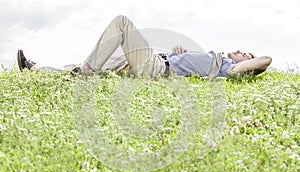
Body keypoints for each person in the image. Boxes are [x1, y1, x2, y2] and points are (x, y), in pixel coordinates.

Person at [17, 15, 272, 78]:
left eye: (245, 54)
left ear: (245, 64)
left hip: (155, 68)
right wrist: (179, 55)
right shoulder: (215, 60)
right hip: (158, 61)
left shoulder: (229, 69)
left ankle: (85, 73)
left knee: (122, 23)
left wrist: (253, 61)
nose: (240, 51)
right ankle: (36, 69)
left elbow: (265, 60)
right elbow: (189, 66)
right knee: (97, 63)